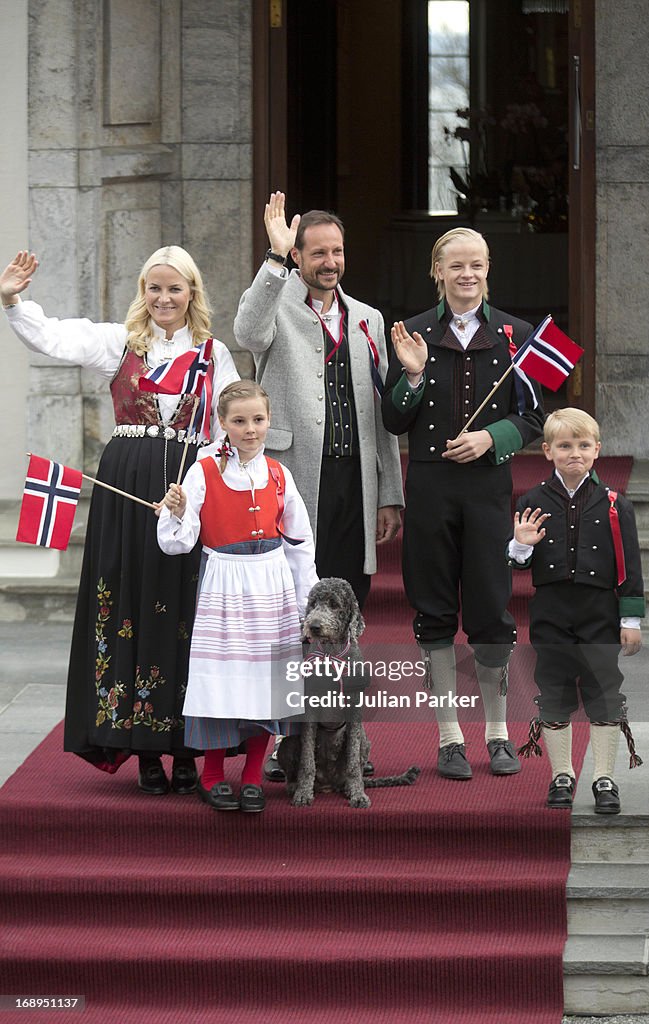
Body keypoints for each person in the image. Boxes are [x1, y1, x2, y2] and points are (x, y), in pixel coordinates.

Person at [1, 247, 239, 794]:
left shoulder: (213, 353)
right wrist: (13, 300)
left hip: (185, 492)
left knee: (181, 609)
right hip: (126, 489)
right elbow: (55, 338)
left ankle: (184, 748)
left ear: (192, 294)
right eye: (153, 288)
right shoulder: (119, 343)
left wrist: (199, 490)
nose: (163, 298)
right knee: (127, 603)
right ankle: (142, 750)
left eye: (174, 289)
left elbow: (228, 428)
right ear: (142, 291)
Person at [233, 191, 404, 779]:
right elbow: (246, 331)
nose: (329, 262)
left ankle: (342, 742)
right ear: (300, 256)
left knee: (346, 610)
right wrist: (274, 261)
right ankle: (285, 742)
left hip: (353, 479)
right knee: (293, 611)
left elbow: (383, 413)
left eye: (337, 252)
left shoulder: (368, 319)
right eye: (317, 253)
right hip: (292, 478)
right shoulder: (275, 304)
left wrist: (390, 491)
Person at [382, 227, 544, 781]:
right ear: (438, 272)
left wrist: (492, 438)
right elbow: (394, 419)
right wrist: (411, 373)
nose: (467, 274)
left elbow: (534, 417)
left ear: (488, 268)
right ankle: (449, 736)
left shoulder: (517, 335)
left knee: (491, 610)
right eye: (456, 266)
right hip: (429, 488)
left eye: (476, 264)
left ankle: (497, 735)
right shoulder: (412, 332)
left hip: (488, 492)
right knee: (433, 612)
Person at [157, 381, 318, 813]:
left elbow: (300, 543)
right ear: (223, 424)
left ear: (269, 421)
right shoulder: (204, 469)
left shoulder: (280, 475)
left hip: (271, 584)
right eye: (240, 421)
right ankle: (211, 775)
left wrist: (306, 602)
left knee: (267, 682)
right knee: (222, 678)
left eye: (258, 420)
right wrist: (176, 512)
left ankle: (251, 776)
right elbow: (179, 541)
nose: (250, 429)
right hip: (224, 585)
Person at [509, 409, 644, 814]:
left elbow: (630, 566)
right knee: (554, 691)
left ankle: (604, 778)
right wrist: (520, 545)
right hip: (551, 612)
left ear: (597, 450)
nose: (575, 453)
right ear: (548, 451)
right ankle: (562, 775)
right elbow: (517, 564)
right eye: (565, 446)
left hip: (599, 610)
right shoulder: (532, 501)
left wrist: (630, 619)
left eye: (584, 446)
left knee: (604, 691)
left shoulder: (616, 505)